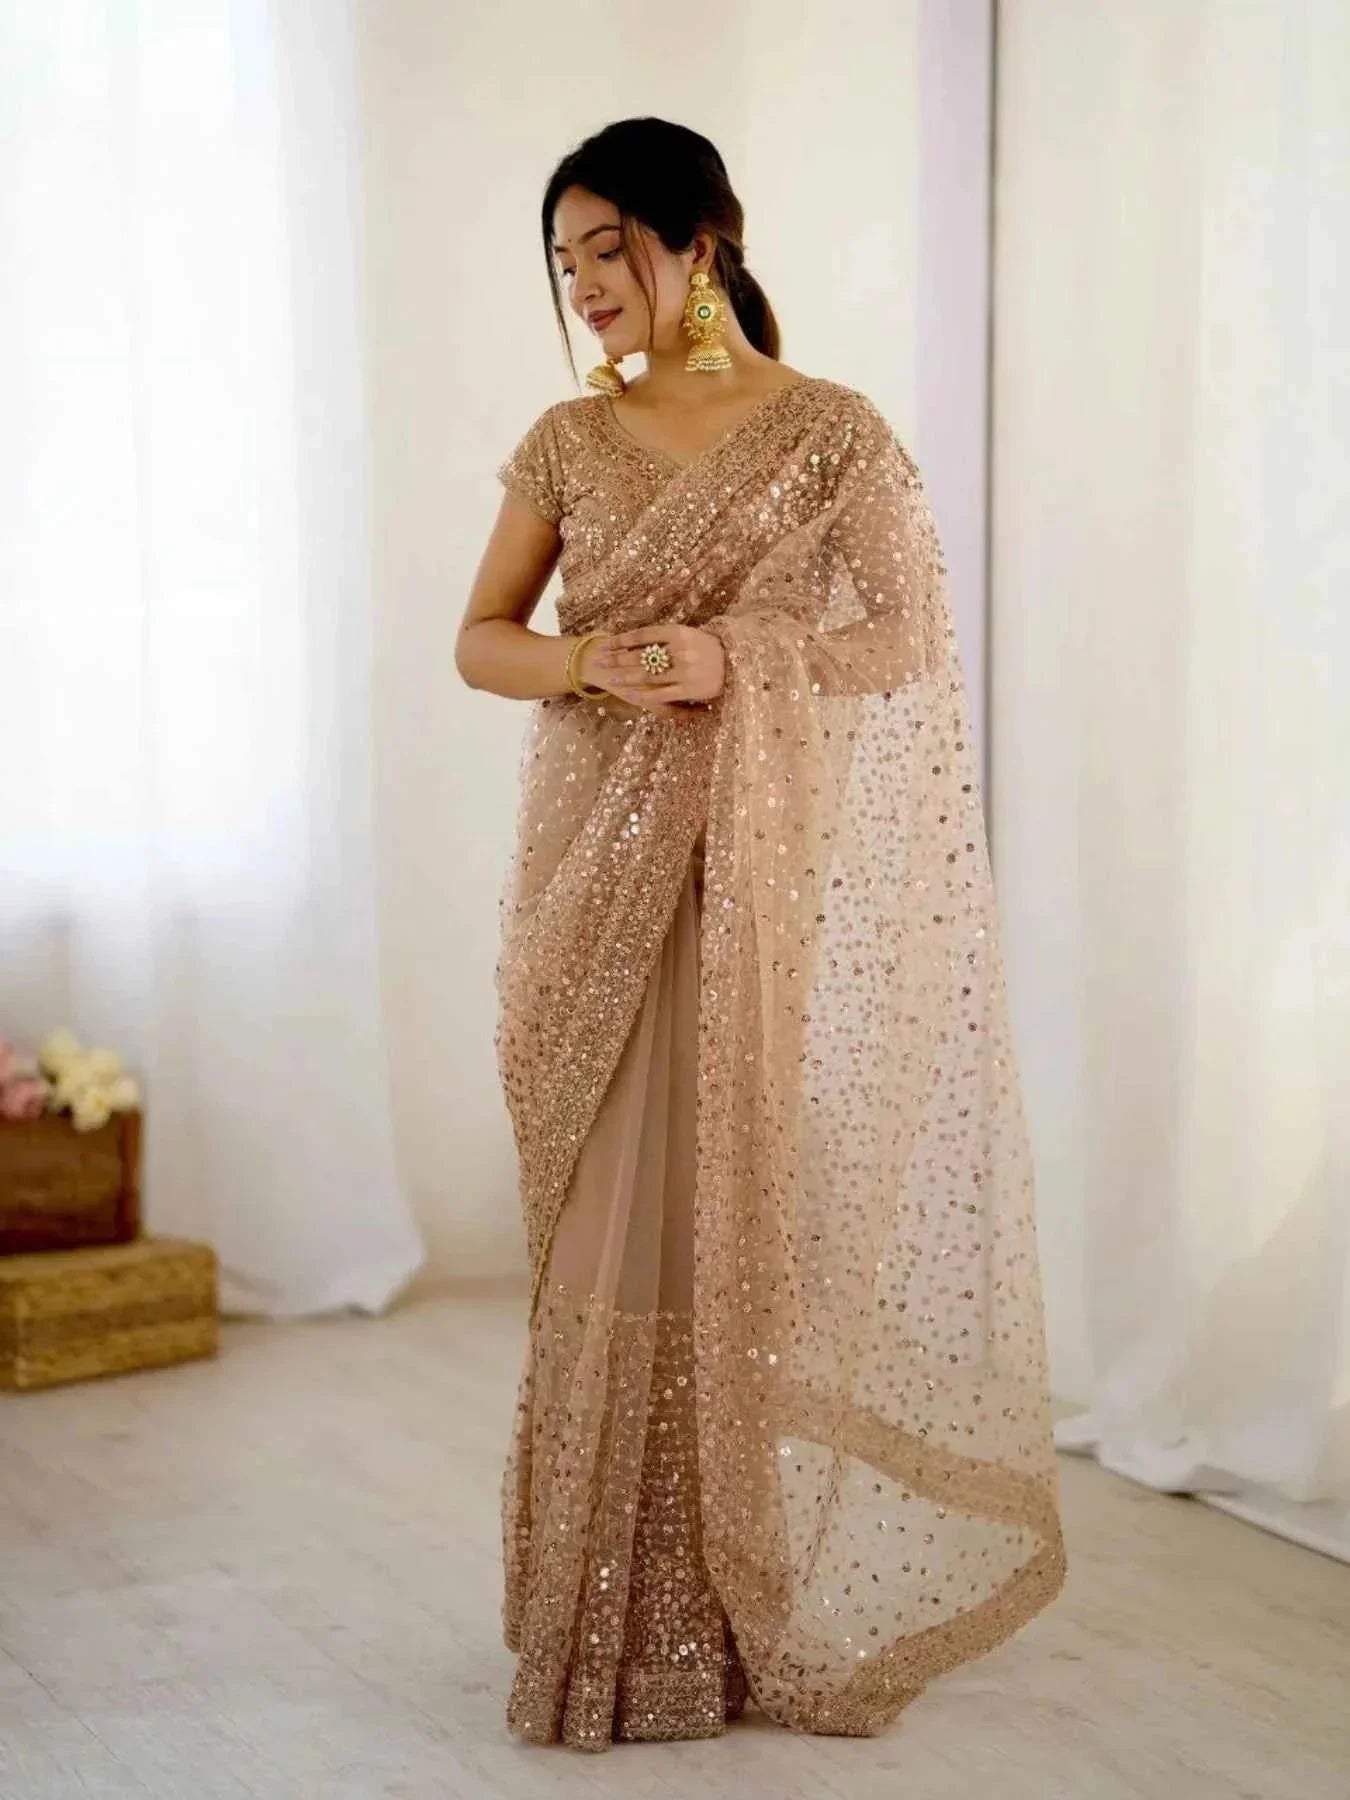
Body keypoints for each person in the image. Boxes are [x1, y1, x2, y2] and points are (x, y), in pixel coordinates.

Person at [456, 116, 1067, 1754]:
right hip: (590, 874)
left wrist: (736, 660)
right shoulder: (566, 446)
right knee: (601, 1220)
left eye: (610, 248)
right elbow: (482, 642)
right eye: (566, 258)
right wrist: (596, 666)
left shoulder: (830, 435)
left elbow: (909, 638)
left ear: (703, 240)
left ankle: (710, 1618)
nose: (586, 286)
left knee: (711, 1223)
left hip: (746, 875)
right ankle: (589, 1627)